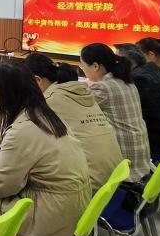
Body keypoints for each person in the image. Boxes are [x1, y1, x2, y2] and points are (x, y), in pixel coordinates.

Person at [0, 61, 90, 236]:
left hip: (49, 217)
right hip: (70, 209)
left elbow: (2, 188)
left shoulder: (22, 130)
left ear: (7, 93)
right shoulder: (46, 115)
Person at [24, 53, 122, 190]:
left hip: (87, 185)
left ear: (37, 80)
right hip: (112, 179)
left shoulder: (49, 101)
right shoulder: (83, 93)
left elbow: (24, 142)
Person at [79, 44, 151, 182]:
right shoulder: (126, 81)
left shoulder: (103, 88)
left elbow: (76, 108)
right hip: (140, 159)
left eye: (82, 66)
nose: (83, 70)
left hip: (125, 169)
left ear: (95, 66)